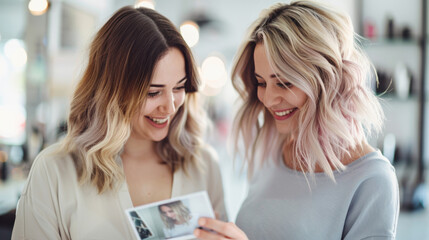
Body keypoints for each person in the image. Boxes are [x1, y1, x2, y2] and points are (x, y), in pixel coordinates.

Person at [12, 6, 226, 239]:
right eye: (153, 92)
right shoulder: (55, 172)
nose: (171, 107)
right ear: (112, 91)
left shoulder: (203, 165)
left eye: (179, 87)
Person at [195, 1, 399, 239]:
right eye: (261, 83)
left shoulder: (371, 180)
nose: (269, 99)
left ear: (327, 80)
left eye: (284, 83)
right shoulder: (272, 150)